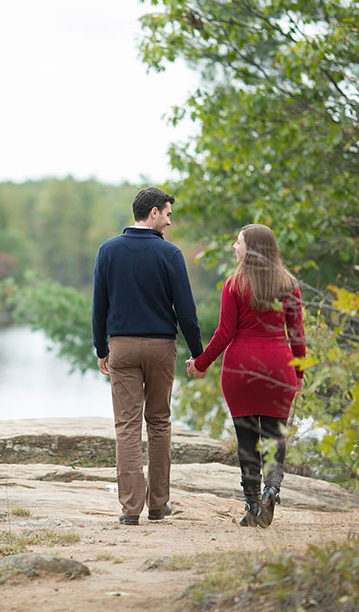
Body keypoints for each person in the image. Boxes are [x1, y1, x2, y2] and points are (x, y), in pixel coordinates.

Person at [92, 187, 204, 526]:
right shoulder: (170, 255)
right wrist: (199, 356)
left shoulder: (108, 250)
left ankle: (129, 510)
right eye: (167, 214)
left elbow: (99, 306)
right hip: (161, 348)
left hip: (122, 346)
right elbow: (186, 312)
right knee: (158, 423)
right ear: (153, 212)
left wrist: (101, 349)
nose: (170, 221)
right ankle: (158, 505)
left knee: (126, 426)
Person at [186, 224, 305, 528]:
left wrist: (201, 362)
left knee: (246, 439)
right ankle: (271, 489)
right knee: (275, 435)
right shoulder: (289, 285)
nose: (234, 248)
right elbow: (297, 335)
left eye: (237, 243)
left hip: (241, 370)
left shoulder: (234, 285)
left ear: (250, 249)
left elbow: (225, 332)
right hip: (279, 367)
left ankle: (253, 506)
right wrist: (300, 372)